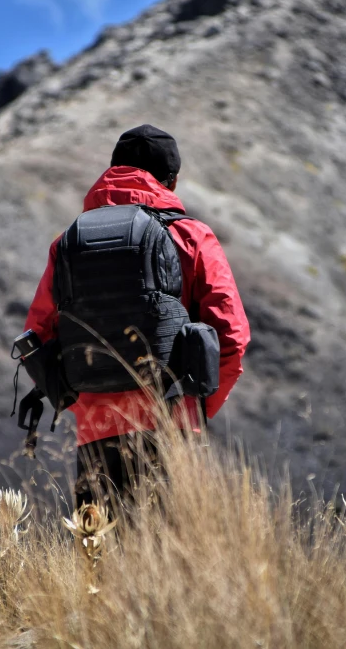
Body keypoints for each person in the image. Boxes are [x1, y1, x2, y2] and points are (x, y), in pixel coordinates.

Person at [24, 124, 250, 508]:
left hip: (95, 440)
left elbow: (36, 337)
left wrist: (88, 405)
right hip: (173, 426)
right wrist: (195, 408)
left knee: (104, 561)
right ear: (172, 182)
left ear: (112, 172)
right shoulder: (192, 237)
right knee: (178, 563)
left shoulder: (68, 244)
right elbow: (231, 337)